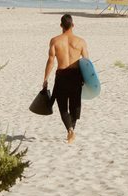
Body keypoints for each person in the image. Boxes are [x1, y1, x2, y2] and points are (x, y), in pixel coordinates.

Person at [43, 14, 89, 144]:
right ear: (73, 25)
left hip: (61, 76)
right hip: (76, 76)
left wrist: (45, 79)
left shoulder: (55, 41)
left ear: (61, 25)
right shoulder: (80, 42)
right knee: (74, 106)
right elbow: (87, 62)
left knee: (62, 106)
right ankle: (71, 130)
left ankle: (70, 130)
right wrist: (89, 81)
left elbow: (51, 61)